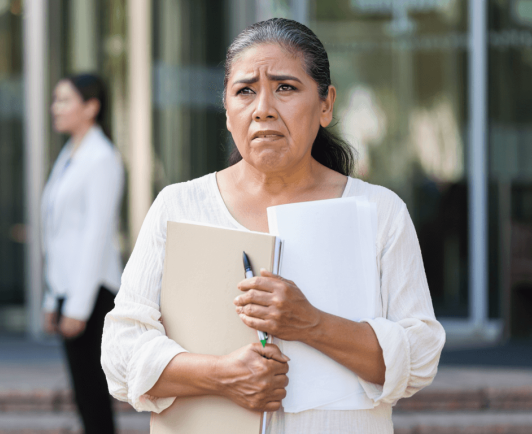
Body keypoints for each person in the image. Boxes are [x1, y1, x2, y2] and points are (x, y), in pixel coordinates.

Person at [101, 18, 445, 433]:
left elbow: (421, 356)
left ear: (325, 104)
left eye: (285, 87)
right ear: (227, 111)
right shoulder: (179, 207)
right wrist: (222, 374)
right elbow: (120, 353)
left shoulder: (378, 211)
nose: (263, 107)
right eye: (245, 91)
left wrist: (311, 323)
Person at [41, 73, 124, 434]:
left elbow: (95, 236)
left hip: (92, 294)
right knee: (83, 392)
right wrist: (51, 297)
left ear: (91, 107)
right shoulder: (70, 155)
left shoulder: (101, 158)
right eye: (55, 99)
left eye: (64, 100)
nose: (54, 108)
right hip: (68, 290)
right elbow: (58, 234)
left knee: (92, 393)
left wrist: (76, 307)